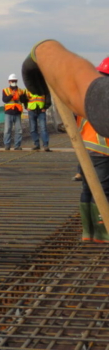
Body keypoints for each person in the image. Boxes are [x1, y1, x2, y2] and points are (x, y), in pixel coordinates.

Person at [77, 58, 109, 243]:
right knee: (103, 190)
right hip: (102, 149)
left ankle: (87, 233)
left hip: (84, 147)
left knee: (87, 189)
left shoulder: (88, 92)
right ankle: (102, 233)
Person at [2, 74, 27, 150]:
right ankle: (7, 145)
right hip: (9, 112)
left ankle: (17, 146)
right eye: (12, 81)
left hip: (17, 112)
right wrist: (11, 95)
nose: (14, 82)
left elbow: (23, 100)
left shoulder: (21, 91)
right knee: (7, 130)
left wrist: (22, 97)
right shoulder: (5, 90)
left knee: (18, 130)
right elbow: (4, 100)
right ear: (9, 82)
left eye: (15, 81)